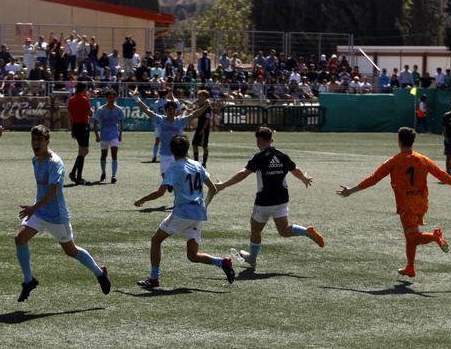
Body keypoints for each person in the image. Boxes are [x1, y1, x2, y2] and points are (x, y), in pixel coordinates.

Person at [337, 127, 451, 277]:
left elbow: (373, 179)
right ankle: (410, 267)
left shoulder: (394, 161)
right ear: (412, 141)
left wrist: (351, 190)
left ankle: (435, 237)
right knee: (410, 236)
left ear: (399, 141)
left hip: (406, 205)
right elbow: (442, 175)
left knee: (413, 237)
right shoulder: (423, 159)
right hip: (421, 203)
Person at [15, 125, 111, 302]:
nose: (36, 144)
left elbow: (53, 193)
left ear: (47, 141)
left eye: (40, 140)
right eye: (33, 140)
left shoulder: (55, 163)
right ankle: (29, 281)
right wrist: (36, 209)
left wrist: (33, 208)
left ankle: (99, 273)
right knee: (20, 239)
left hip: (57, 216)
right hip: (40, 212)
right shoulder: (35, 160)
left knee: (71, 251)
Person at [213, 127, 325, 271]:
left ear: (258, 141)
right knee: (284, 230)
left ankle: (252, 259)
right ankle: (306, 232)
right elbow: (295, 169)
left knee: (255, 230)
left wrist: (224, 185)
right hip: (282, 199)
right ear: (271, 140)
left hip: (265, 201)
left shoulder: (259, 157)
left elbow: (243, 173)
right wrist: (303, 177)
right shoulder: (282, 155)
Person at [133, 134, 235, 288]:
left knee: (156, 240)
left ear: (171, 151)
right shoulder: (197, 165)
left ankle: (154, 278)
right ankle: (222, 262)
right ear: (187, 149)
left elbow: (160, 192)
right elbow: (213, 189)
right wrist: (205, 204)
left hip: (183, 213)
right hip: (199, 213)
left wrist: (142, 200)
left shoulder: (173, 168)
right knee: (192, 256)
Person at [136, 97, 211, 177]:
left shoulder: (180, 121)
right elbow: (147, 111)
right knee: (165, 178)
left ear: (176, 111)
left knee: (180, 177)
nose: (171, 111)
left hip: (178, 155)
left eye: (173, 109)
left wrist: (204, 107)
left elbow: (194, 115)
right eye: (169, 109)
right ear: (165, 111)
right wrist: (137, 98)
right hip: (164, 154)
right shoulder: (160, 119)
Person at [93, 89, 124, 183]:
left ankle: (113, 176)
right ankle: (103, 173)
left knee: (114, 154)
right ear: (106, 98)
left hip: (114, 135)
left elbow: (121, 122)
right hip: (104, 135)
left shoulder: (119, 110)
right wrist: (97, 135)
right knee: (104, 155)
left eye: (113, 97)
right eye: (110, 97)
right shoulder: (101, 110)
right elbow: (95, 123)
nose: (111, 99)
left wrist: (120, 134)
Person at [67, 82, 93, 185]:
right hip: (83, 126)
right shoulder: (84, 99)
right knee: (83, 151)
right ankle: (78, 176)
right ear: (84, 89)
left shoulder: (72, 99)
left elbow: (70, 115)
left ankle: (74, 173)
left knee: (82, 151)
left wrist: (72, 128)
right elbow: (90, 113)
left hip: (76, 126)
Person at [150, 90, 178, 163]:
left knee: (157, 140)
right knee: (170, 139)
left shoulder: (156, 103)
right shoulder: (168, 102)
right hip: (167, 122)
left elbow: (154, 112)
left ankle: (154, 156)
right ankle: (172, 155)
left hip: (159, 123)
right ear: (165, 95)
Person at [191, 90, 212, 167]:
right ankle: (196, 162)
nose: (199, 96)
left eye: (200, 95)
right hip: (199, 127)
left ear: (205, 96)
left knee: (204, 145)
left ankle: (204, 163)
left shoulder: (207, 105)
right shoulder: (201, 105)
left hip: (204, 128)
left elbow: (208, 119)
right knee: (194, 144)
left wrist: (203, 129)